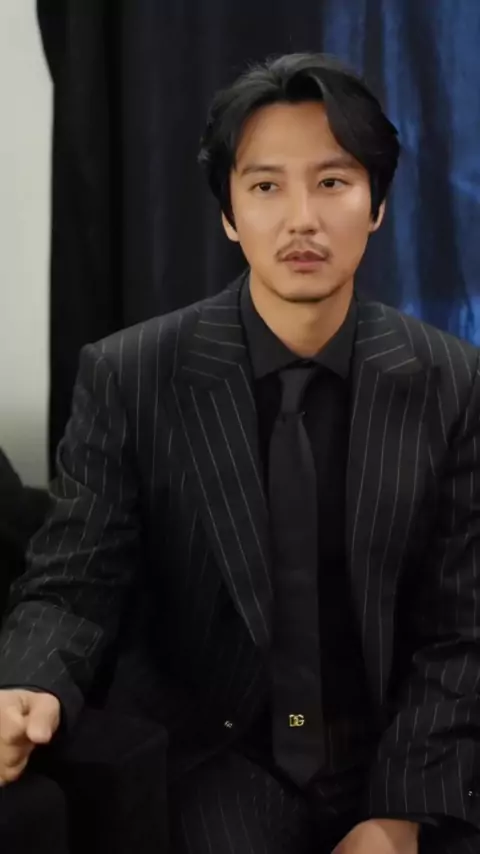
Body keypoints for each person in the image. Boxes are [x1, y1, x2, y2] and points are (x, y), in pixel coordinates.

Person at [0, 52, 479, 854]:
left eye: (333, 181)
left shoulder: (453, 383)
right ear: (228, 212)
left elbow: (463, 627)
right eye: (265, 187)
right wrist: (27, 681)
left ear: (377, 205)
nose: (302, 219)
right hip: (223, 752)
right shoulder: (132, 375)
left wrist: (400, 815)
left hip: (401, 743)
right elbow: (73, 582)